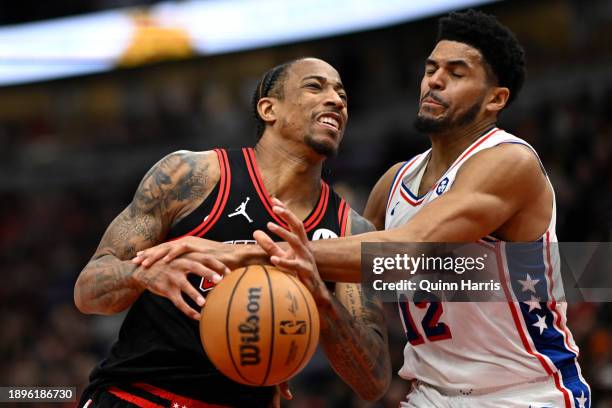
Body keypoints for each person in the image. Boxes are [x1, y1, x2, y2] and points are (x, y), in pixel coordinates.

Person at [135, 10, 591, 408]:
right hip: (430, 395)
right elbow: (343, 295)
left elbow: (408, 252)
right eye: (431, 68)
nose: (434, 80)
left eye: (456, 72)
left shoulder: (510, 162)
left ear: (495, 99)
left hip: (524, 392)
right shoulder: (392, 185)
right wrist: (274, 355)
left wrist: (243, 253)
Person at [74, 57, 391, 407]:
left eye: (342, 93)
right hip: (137, 396)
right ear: (268, 109)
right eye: (315, 86)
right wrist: (143, 273)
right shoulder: (189, 175)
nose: (336, 99)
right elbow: (88, 290)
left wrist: (320, 297)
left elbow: (373, 382)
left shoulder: (350, 229)